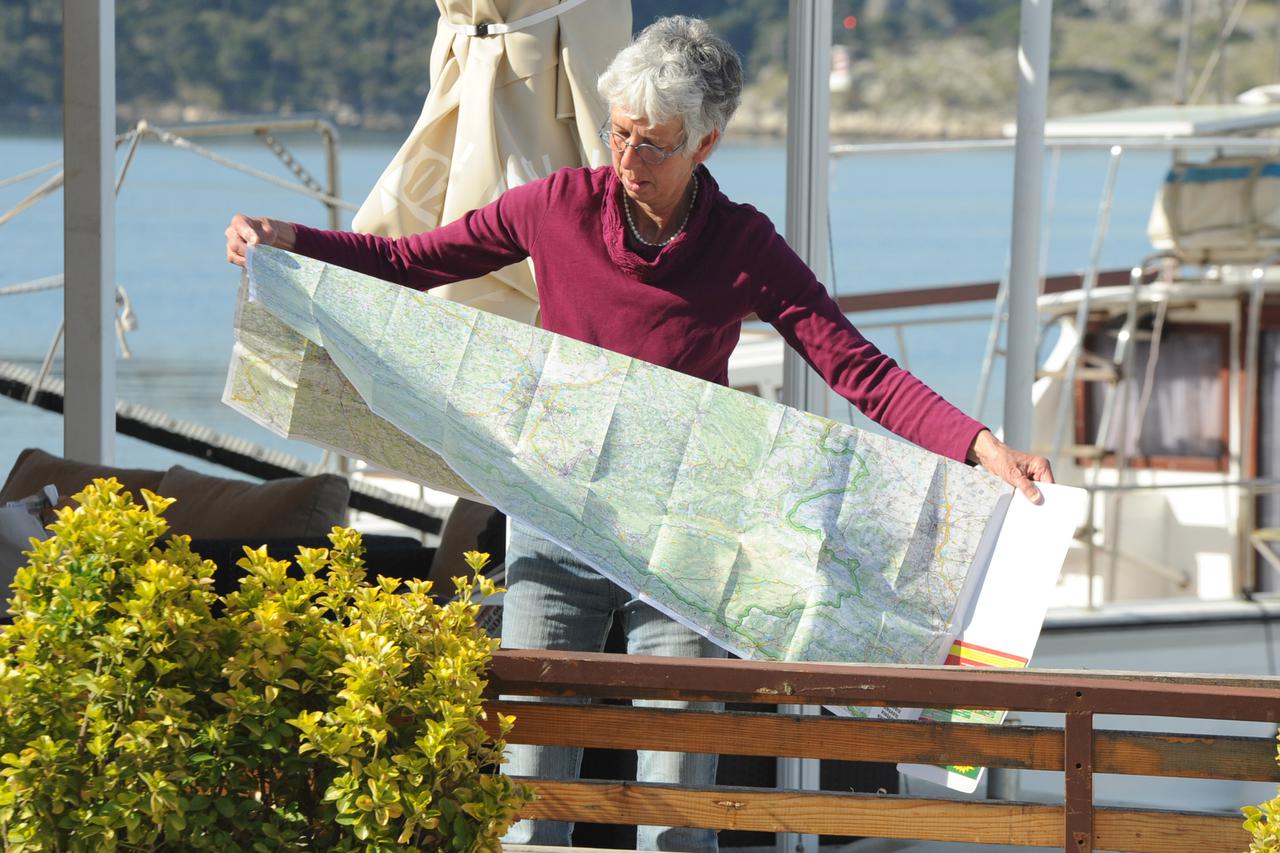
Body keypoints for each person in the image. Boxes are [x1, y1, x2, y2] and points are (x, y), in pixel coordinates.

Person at [225, 16, 1053, 851]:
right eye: (619, 133)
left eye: (653, 145)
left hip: (689, 549)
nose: (627, 159)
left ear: (706, 144)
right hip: (553, 523)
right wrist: (287, 240)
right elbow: (411, 262)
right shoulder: (555, 206)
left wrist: (984, 446)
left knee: (674, 815)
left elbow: (856, 366)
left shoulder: (743, 244)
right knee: (529, 797)